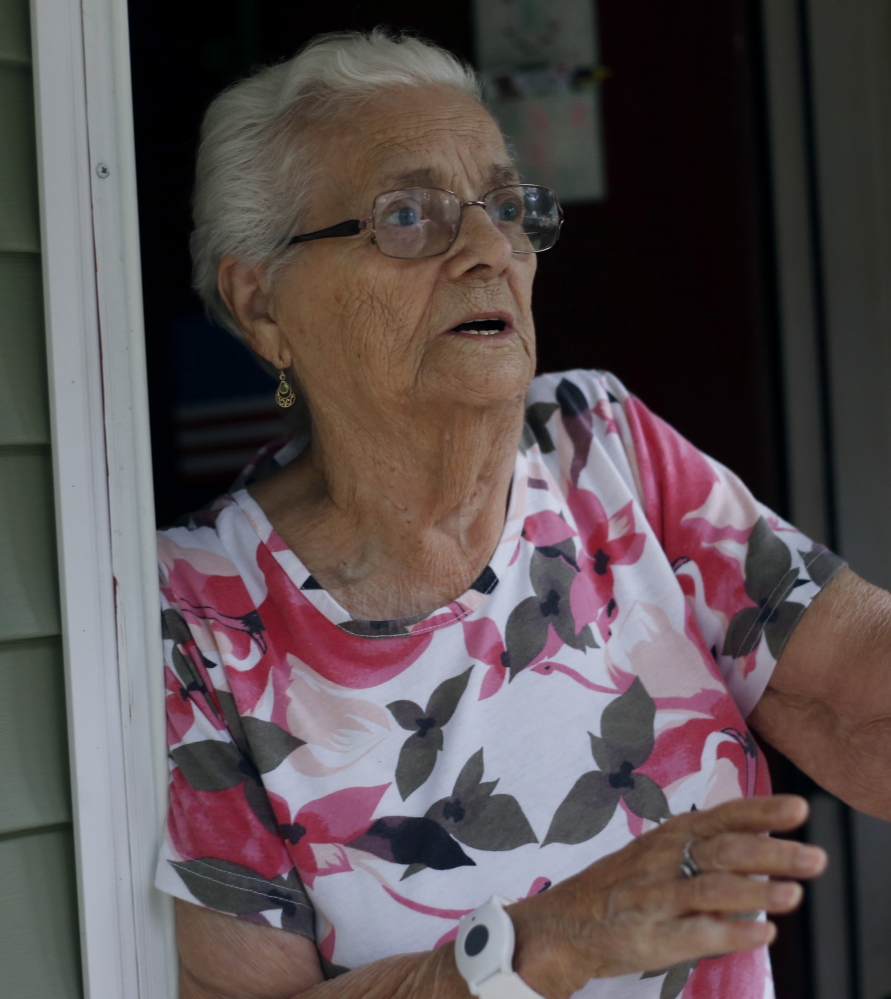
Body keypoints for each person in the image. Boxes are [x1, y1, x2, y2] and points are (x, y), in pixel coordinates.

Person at [155, 29, 891, 999]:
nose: (489, 250)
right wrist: (535, 949)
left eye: (506, 208)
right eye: (407, 216)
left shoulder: (595, 445)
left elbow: (857, 692)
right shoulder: (200, 622)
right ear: (261, 306)